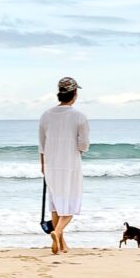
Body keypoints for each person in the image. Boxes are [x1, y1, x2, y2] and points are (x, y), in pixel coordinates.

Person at [38, 76, 89, 254]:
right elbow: (83, 144)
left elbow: (41, 144)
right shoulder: (79, 116)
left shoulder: (46, 115)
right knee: (70, 204)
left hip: (50, 164)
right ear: (74, 94)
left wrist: (42, 164)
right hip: (70, 163)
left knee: (55, 204)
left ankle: (61, 245)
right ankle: (57, 231)